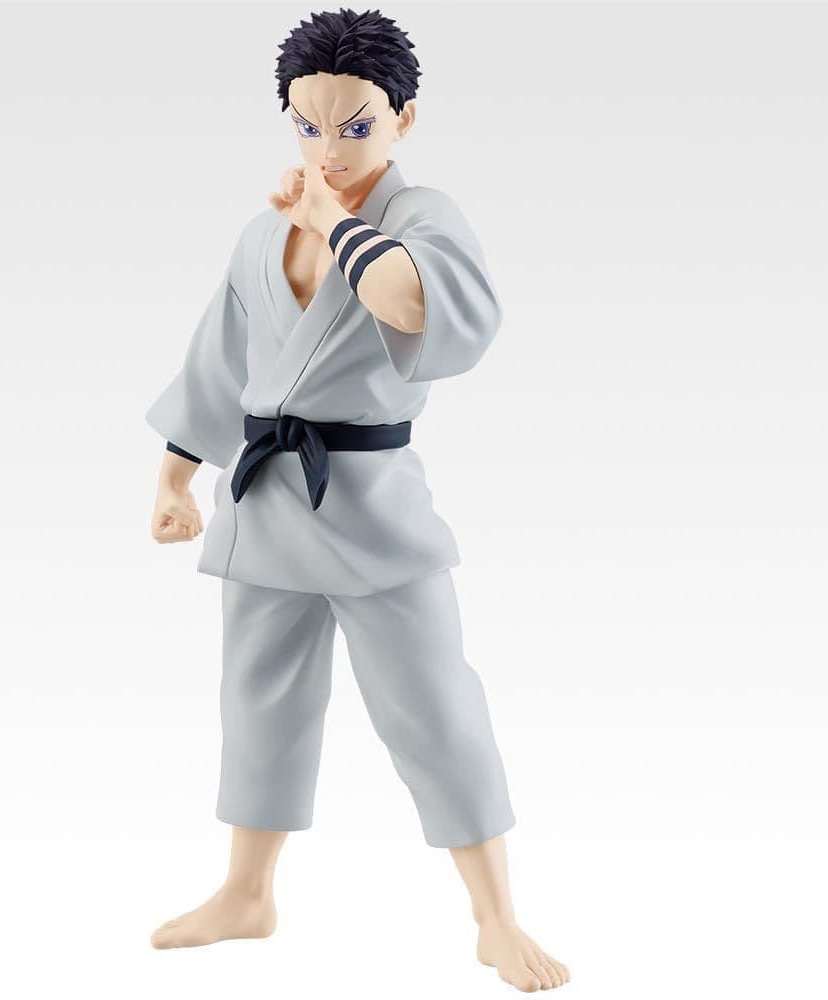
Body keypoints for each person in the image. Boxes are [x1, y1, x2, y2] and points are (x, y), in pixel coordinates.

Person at [146, 8, 570, 992]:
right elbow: (218, 362)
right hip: (265, 500)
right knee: (258, 701)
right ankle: (247, 893)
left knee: (432, 705)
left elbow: (413, 305)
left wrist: (331, 220)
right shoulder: (261, 234)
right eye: (308, 126)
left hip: (373, 508)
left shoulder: (421, 217)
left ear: (402, 119)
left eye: (355, 126)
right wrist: (174, 476)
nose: (328, 150)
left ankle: (496, 917)